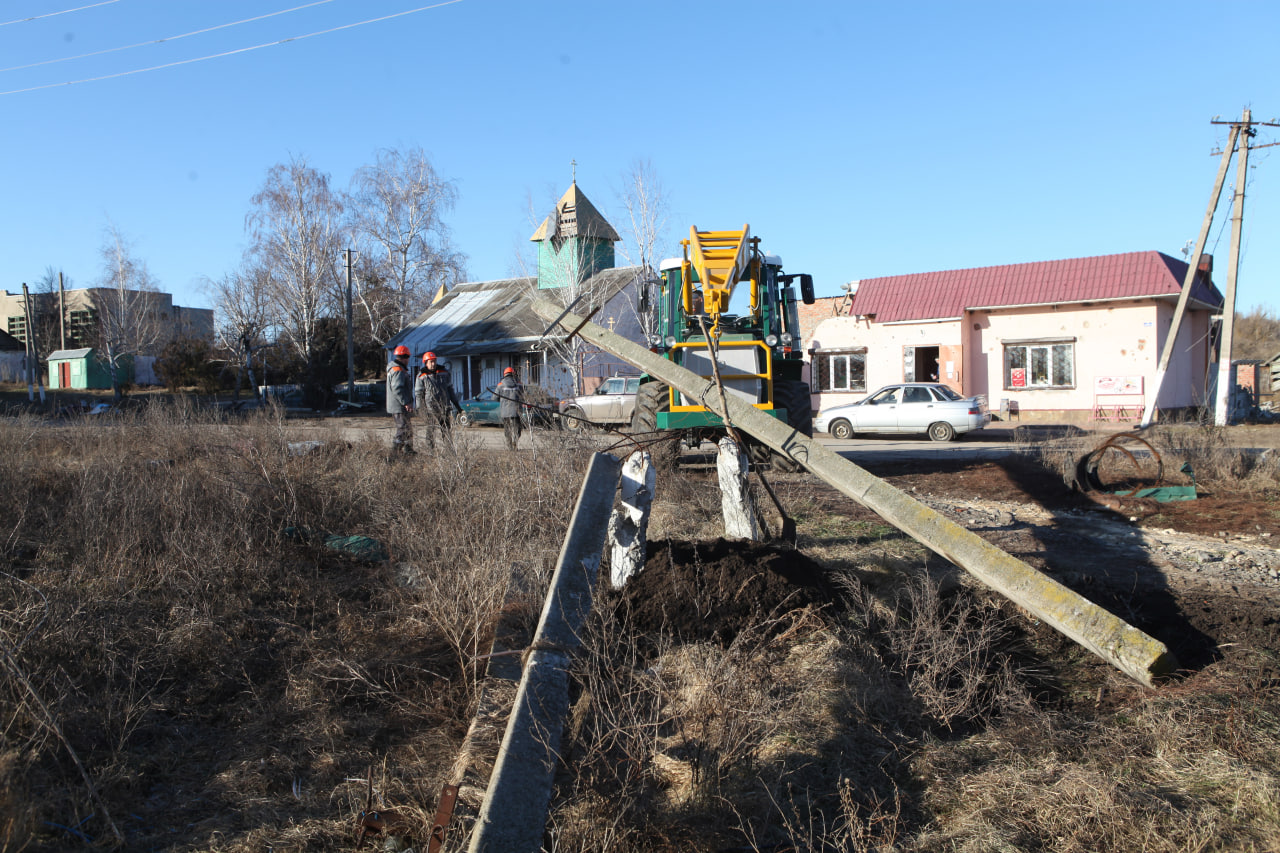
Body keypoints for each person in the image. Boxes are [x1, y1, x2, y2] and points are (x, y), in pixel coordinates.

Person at [414, 351, 462, 450]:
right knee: (430, 428)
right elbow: (418, 394)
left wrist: (457, 405)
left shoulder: (444, 372)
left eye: (434, 361)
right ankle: (430, 449)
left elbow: (450, 389)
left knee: (446, 428)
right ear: (425, 363)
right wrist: (420, 408)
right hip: (430, 407)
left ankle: (449, 449)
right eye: (430, 362)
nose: (433, 364)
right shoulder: (421, 376)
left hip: (444, 406)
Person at [385, 345, 414, 456]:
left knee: (408, 429)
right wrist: (406, 402)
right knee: (402, 429)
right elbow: (397, 388)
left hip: (398, 405)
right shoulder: (398, 370)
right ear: (404, 357)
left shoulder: (396, 369)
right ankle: (393, 454)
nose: (408, 360)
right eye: (407, 357)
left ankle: (408, 450)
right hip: (399, 406)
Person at [496, 366, 526, 451]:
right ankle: (515, 443)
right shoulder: (519, 384)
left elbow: (494, 398)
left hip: (505, 412)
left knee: (507, 430)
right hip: (516, 411)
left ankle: (509, 447)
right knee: (517, 429)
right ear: (514, 374)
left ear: (505, 374)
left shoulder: (500, 385)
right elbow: (523, 396)